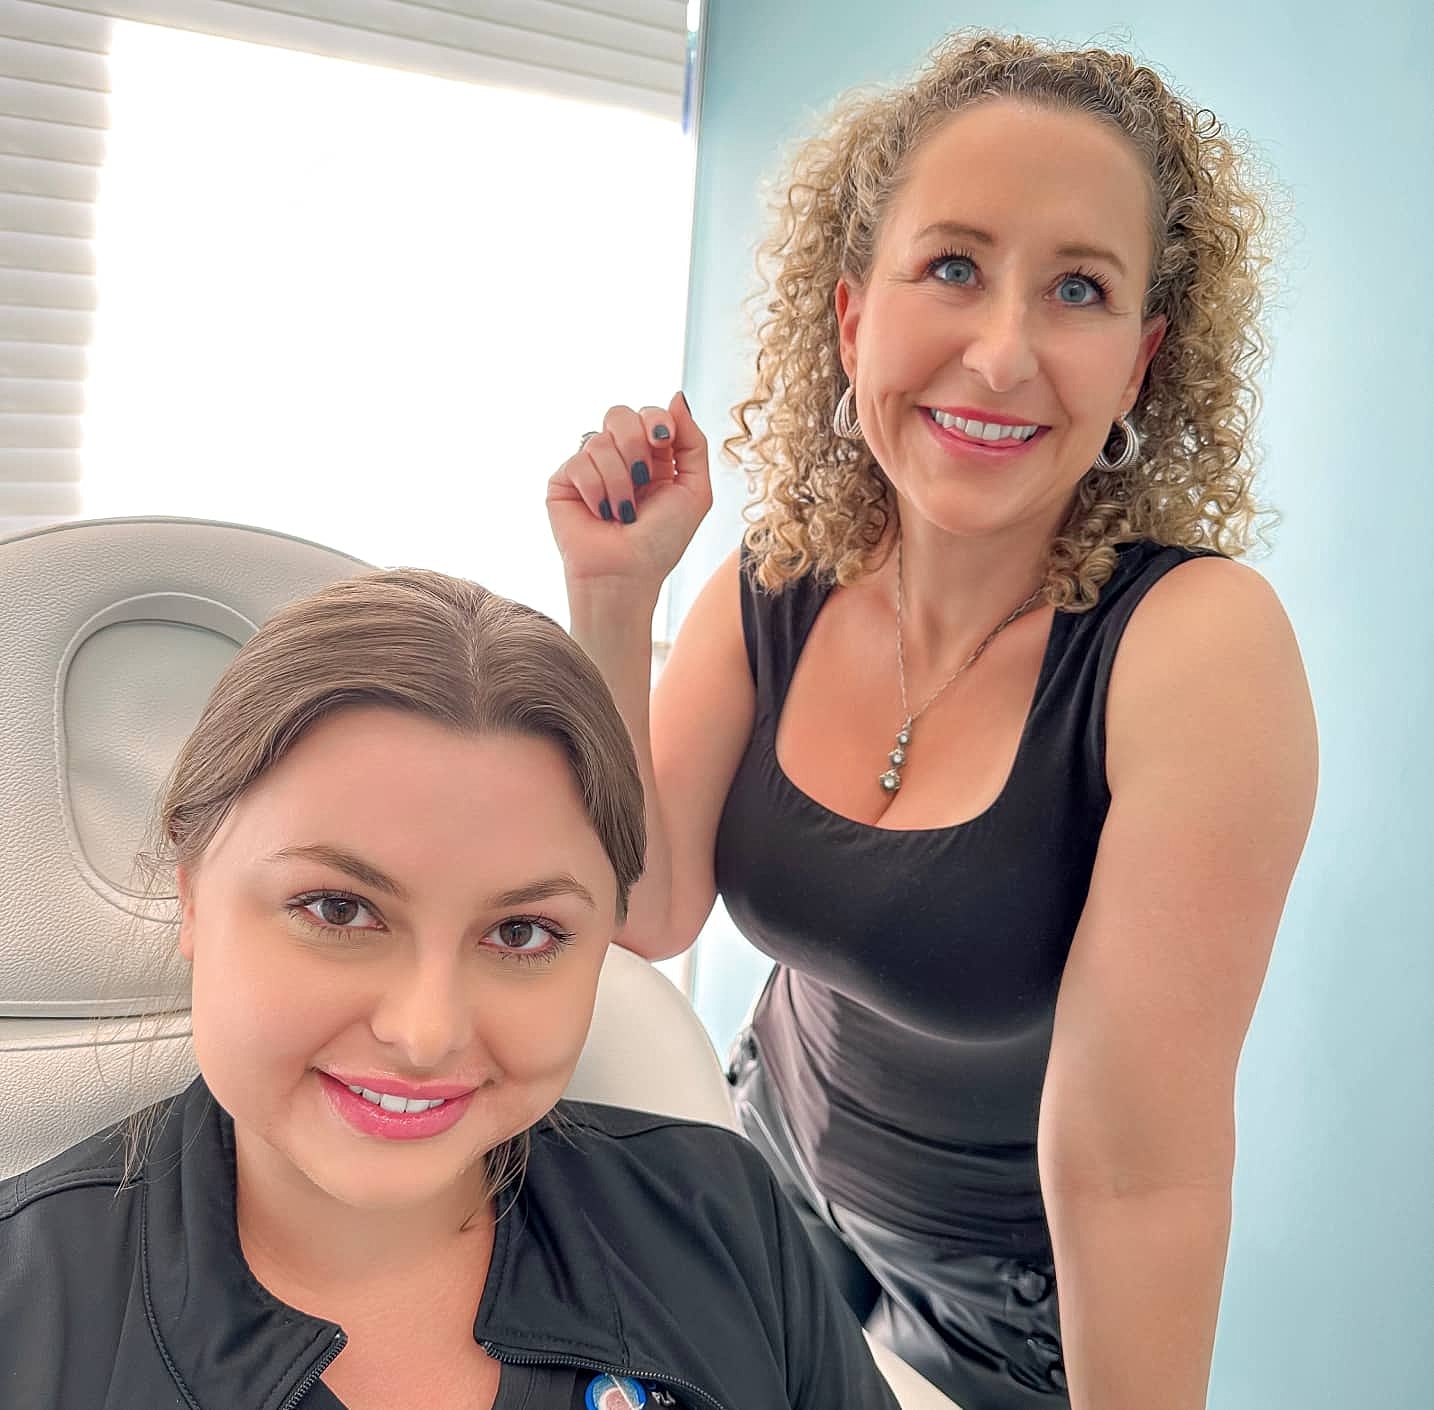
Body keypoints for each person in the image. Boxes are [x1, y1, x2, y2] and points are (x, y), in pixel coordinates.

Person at [547, 30, 1318, 1410]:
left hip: (1008, 1307)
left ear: (1139, 362)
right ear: (853, 316)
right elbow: (647, 900)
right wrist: (612, 599)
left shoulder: (1194, 647)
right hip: (772, 1171)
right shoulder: (773, 581)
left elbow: (1133, 1167)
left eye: (1075, 289)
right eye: (951, 265)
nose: (1004, 349)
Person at [0, 569, 900, 1410]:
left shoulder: (722, 1221)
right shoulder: (24, 1316)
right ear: (192, 888)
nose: (425, 1033)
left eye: (522, 933)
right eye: (339, 909)